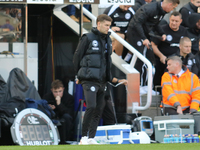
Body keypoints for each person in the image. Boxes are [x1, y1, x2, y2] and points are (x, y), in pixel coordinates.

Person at [73, 14, 128, 145]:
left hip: (102, 81)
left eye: (109, 25)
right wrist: (78, 76)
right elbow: (77, 57)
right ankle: (83, 138)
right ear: (98, 24)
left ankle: (91, 137)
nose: (108, 28)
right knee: (91, 106)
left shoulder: (108, 40)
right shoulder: (87, 38)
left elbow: (107, 63)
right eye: (106, 25)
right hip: (88, 79)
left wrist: (111, 79)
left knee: (98, 109)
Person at [126, 0, 180, 86]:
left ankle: (146, 86)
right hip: (135, 33)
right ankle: (139, 86)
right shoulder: (150, 8)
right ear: (169, 4)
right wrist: (143, 38)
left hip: (145, 34)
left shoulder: (162, 11)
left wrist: (162, 33)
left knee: (150, 59)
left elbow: (155, 24)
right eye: (173, 8)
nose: (172, 10)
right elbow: (137, 23)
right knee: (142, 60)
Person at [152, 11, 188, 89]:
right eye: (172, 20)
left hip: (179, 59)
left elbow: (186, 45)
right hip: (164, 59)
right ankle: (159, 89)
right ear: (169, 19)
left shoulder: (184, 31)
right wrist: (161, 56)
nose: (174, 23)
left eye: (176, 21)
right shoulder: (162, 29)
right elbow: (153, 45)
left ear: (181, 21)